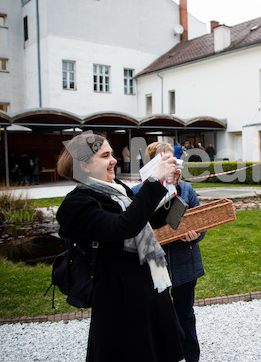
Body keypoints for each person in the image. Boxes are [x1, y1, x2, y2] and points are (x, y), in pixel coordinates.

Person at [55, 133, 185, 362]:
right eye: (105, 155)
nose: (114, 160)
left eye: (112, 154)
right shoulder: (77, 204)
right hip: (119, 301)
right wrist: (153, 183)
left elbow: (148, 221)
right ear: (83, 165)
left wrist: (169, 186)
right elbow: (122, 228)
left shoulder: (118, 189)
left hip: (149, 290)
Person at [133, 141, 205, 362]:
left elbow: (200, 225)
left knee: (185, 314)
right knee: (156, 316)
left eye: (172, 160)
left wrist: (197, 235)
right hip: (153, 267)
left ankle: (191, 356)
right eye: (163, 160)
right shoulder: (137, 193)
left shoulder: (186, 189)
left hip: (185, 261)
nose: (170, 165)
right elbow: (131, 230)